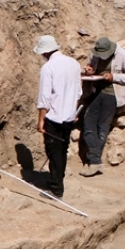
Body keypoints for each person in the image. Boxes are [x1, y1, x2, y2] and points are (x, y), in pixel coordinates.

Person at [79, 37, 125, 177]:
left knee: (102, 127)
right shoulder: (95, 53)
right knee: (88, 122)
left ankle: (93, 161)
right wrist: (89, 71)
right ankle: (95, 161)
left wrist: (113, 77)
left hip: (113, 94)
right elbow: (91, 67)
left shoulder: (122, 54)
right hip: (96, 91)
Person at [34, 34, 82, 199]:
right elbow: (78, 92)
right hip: (69, 116)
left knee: (54, 152)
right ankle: (57, 180)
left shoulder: (48, 67)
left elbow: (45, 97)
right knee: (62, 150)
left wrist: (41, 119)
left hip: (54, 117)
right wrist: (73, 111)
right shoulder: (74, 63)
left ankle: (56, 189)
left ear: (45, 52)